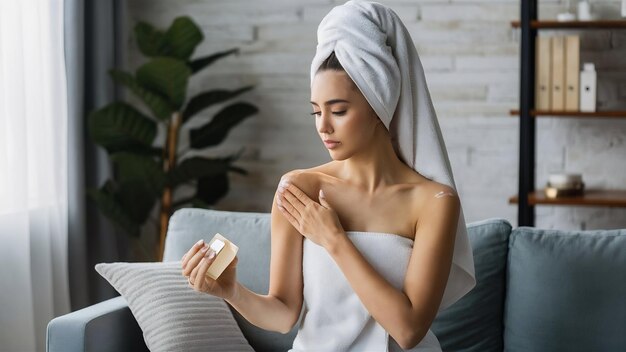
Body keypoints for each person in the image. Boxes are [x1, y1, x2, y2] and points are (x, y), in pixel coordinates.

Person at [180, 1, 476, 350]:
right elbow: (283, 314)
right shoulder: (298, 189)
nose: (323, 126)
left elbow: (408, 330)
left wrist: (333, 238)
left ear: (379, 104)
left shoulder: (434, 202)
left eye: (338, 110)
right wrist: (230, 290)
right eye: (316, 111)